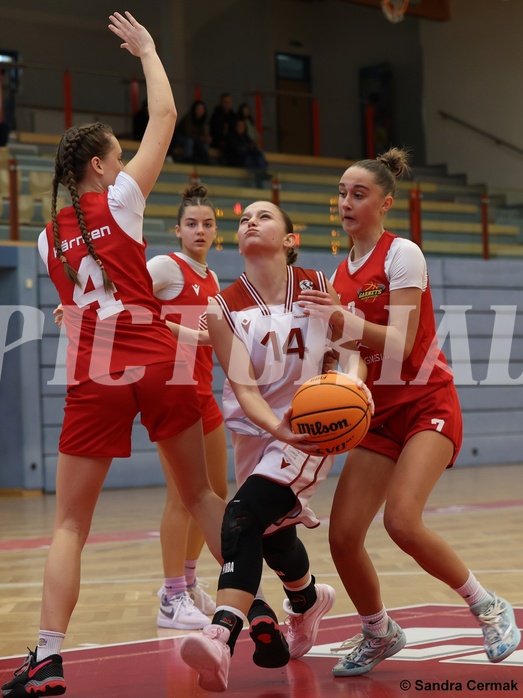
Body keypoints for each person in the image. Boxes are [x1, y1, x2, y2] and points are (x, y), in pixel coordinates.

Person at [1, 13, 225, 698]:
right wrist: (150, 50)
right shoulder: (122, 200)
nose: (126, 162)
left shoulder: (44, 241)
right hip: (155, 360)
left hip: (95, 373)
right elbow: (164, 111)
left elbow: (70, 313)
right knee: (203, 495)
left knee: (69, 523)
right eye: (118, 154)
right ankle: (274, 602)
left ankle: (46, 656)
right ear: (99, 167)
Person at [297, 147, 522, 676]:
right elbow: (355, 357)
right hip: (378, 413)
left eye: (359, 193)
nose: (346, 202)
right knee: (343, 534)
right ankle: (379, 631)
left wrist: (341, 321)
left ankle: (488, 607)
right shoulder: (341, 274)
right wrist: (335, 388)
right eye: (341, 193)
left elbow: (397, 344)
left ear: (385, 203)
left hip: (426, 403)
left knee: (401, 520)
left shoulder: (404, 255)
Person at [179, 200, 373, 692]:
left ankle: (220, 637)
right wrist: (276, 429)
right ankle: (307, 599)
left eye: (264, 217)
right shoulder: (222, 307)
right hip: (258, 431)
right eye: (244, 219)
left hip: (312, 427)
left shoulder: (314, 285)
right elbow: (244, 390)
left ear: (289, 239)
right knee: (269, 534)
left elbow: (352, 353)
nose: (250, 222)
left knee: (239, 516)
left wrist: (353, 389)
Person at [147, 184, 228, 630]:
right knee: (181, 497)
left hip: (204, 391)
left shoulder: (212, 278)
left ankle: (190, 583)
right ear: (178, 230)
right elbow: (128, 304)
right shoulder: (166, 266)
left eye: (208, 223)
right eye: (192, 223)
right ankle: (170, 596)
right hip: (172, 393)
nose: (200, 230)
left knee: (214, 494)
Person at [225, 118, 269, 187]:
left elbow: (251, 149)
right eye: (239, 126)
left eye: (242, 126)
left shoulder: (246, 138)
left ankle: (262, 173)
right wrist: (248, 148)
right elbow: (238, 152)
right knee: (254, 164)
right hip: (238, 161)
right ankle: (261, 174)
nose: (241, 128)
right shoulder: (232, 138)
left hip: (249, 158)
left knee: (259, 156)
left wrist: (250, 149)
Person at [170, 100, 211, 164]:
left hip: (195, 140)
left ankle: (203, 162)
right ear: (194, 109)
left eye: (202, 109)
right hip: (180, 138)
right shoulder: (189, 117)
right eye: (198, 109)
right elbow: (188, 133)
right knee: (189, 142)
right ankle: (187, 160)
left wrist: (206, 138)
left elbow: (204, 133)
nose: (200, 111)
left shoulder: (203, 120)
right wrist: (200, 138)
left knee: (205, 145)